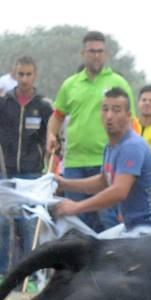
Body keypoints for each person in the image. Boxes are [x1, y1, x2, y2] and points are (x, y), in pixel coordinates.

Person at [52, 87, 151, 234]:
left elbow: (119, 191)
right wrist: (63, 183)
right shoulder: (110, 147)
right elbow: (103, 182)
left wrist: (76, 207)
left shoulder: (132, 146)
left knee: (96, 253)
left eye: (116, 110)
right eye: (105, 109)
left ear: (128, 116)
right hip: (131, 227)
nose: (109, 116)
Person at [47, 30, 134, 232]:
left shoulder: (118, 83)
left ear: (106, 53)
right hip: (75, 162)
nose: (96, 55)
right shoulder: (70, 84)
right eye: (92, 51)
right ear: (82, 53)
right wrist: (51, 134)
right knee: (76, 222)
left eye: (100, 51)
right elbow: (57, 116)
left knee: (108, 221)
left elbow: (131, 122)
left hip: (107, 162)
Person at [0, 56, 52, 276]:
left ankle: (30, 277)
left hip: (32, 174)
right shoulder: (2, 103)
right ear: (14, 75)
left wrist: (52, 145)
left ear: (35, 76)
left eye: (28, 74)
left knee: (29, 227)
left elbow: (53, 134)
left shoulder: (43, 106)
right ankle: (2, 277)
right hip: (4, 173)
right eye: (20, 74)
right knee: (2, 226)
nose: (24, 79)